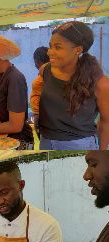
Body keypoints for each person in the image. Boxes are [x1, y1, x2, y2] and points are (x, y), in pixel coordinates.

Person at [38, 21, 109, 150]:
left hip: (79, 145)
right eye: (50, 46)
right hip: (45, 142)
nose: (50, 52)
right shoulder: (46, 70)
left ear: (78, 50)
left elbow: (106, 122)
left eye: (58, 47)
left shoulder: (100, 83)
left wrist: (102, 154)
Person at [30, 47, 50, 139]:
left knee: (44, 141)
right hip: (40, 113)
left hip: (42, 114)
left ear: (36, 61)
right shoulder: (44, 73)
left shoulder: (48, 74)